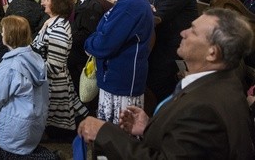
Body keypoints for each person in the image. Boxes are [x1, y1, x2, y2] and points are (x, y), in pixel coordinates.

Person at [78, 8, 255, 159]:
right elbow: (185, 146)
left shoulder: (204, 109)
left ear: (212, 53)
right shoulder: (222, 82)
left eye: (193, 31)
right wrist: (149, 127)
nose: (183, 33)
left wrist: (104, 133)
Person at [85, 0, 154, 124]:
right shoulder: (127, 2)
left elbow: (104, 44)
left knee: (118, 132)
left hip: (122, 80)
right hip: (115, 76)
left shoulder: (130, 5)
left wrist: (89, 43)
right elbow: (102, 32)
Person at [0, 15, 49, 158]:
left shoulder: (9, 66)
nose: (1, 34)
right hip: (36, 121)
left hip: (14, 126)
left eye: (3, 31)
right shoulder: (36, 59)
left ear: (11, 35)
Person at [31, 0, 88, 140]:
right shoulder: (51, 22)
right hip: (47, 80)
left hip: (54, 83)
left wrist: (29, 66)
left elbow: (54, 66)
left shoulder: (59, 29)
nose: (43, 2)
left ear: (56, 5)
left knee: (57, 127)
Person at [147, 0, 197, 103]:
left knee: (159, 83)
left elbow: (159, 15)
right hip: (160, 40)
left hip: (173, 44)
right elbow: (148, 5)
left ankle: (163, 117)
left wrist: (151, 9)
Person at [69, 0, 104, 96]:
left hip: (84, 50)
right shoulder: (82, 1)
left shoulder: (92, 4)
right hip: (78, 42)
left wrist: (67, 38)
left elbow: (88, 33)